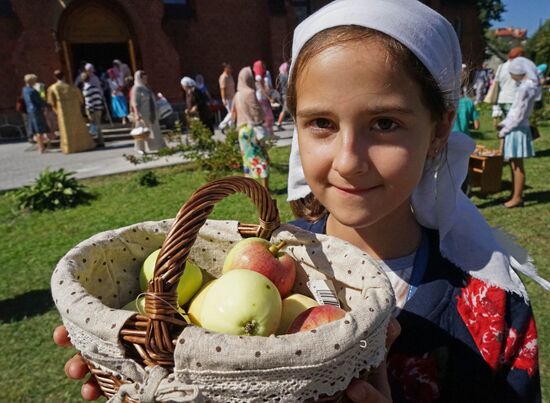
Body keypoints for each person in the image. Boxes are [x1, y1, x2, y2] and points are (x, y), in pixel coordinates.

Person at [54, 1, 546, 400]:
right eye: (322, 124)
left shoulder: (489, 312)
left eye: (386, 124)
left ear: (438, 130)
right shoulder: (263, 266)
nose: (349, 160)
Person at [497, 57, 539, 209]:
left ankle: (517, 197)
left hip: (517, 129)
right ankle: (516, 193)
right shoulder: (528, 86)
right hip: (518, 127)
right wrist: (505, 123)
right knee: (515, 164)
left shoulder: (524, 88)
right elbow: (516, 113)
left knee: (517, 165)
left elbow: (518, 114)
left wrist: (505, 129)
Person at [231, 66, 270, 190]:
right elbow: (256, 111)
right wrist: (263, 117)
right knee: (262, 158)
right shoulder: (250, 92)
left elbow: (233, 113)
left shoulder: (237, 95)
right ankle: (265, 188)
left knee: (247, 160)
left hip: (242, 131)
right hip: (252, 130)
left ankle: (250, 189)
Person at [47, 70, 96, 153]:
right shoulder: (73, 87)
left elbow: (51, 101)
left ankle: (69, 148)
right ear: (64, 76)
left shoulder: (53, 88)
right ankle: (84, 145)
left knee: (66, 129)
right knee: (78, 127)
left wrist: (56, 110)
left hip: (63, 112)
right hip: (75, 111)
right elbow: (81, 100)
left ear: (54, 77)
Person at [130, 70, 167, 155]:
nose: (146, 80)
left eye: (146, 78)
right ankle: (140, 148)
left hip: (152, 113)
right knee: (141, 132)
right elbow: (134, 102)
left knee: (155, 131)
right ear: (139, 78)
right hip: (143, 114)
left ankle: (160, 147)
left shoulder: (146, 88)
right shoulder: (136, 88)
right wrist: (137, 114)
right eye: (144, 78)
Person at [22, 74, 51, 153]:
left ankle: (40, 147)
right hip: (36, 111)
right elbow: (40, 101)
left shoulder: (24, 89)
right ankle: (41, 148)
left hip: (30, 111)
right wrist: (47, 104)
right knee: (39, 130)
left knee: (36, 130)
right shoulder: (33, 91)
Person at [81, 72, 105, 147]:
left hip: (92, 109)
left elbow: (89, 100)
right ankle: (99, 140)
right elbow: (99, 97)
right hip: (98, 107)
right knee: (97, 125)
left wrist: (90, 109)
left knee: (93, 125)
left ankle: (98, 141)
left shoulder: (86, 89)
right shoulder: (95, 87)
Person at [253, 60, 275, 137]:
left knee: (268, 115)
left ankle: (270, 133)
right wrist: (269, 98)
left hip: (264, 98)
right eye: (261, 65)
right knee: (266, 116)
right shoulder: (258, 77)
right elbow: (262, 89)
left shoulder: (264, 74)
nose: (263, 66)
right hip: (261, 99)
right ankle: (268, 134)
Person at [218, 62, 236, 132]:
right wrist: (223, 99)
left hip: (232, 97)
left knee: (232, 113)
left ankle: (231, 128)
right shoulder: (223, 77)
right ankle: (222, 125)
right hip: (227, 98)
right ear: (225, 68)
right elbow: (222, 89)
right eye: (229, 68)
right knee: (231, 113)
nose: (231, 69)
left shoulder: (230, 76)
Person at [275, 61, 290, 130]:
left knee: (287, 109)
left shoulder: (281, 75)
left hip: (284, 94)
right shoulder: (285, 76)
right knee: (285, 109)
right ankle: (279, 122)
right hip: (286, 94)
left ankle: (279, 123)